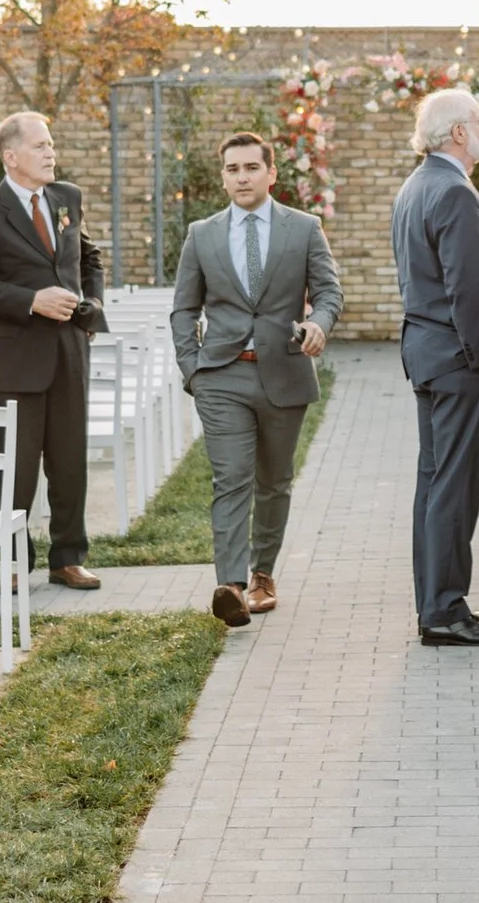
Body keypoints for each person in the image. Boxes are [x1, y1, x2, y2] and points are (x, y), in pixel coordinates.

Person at [169, 131, 343, 627]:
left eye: (250, 167)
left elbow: (330, 292)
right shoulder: (202, 234)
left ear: (271, 173)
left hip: (284, 373)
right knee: (231, 481)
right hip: (221, 376)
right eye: (232, 169)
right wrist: (194, 369)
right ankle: (231, 584)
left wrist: (319, 324)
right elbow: (183, 309)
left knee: (275, 481)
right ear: (222, 177)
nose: (241, 177)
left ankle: (263, 572)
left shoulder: (304, 229)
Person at [391, 88, 479, 648]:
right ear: (455, 133)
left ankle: (437, 606)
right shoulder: (451, 191)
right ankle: (445, 611)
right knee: (454, 488)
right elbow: (466, 287)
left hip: (430, 356)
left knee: (436, 485)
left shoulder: (418, 185)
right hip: (459, 360)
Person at [0, 111, 108, 593]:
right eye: (40, 146)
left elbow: (88, 257)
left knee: (70, 460)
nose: (50, 152)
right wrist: (31, 301)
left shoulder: (67, 199)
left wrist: (92, 307)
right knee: (17, 466)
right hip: (15, 358)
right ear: (11, 155)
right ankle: (15, 563)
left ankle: (68, 557)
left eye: (51, 144)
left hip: (68, 352)